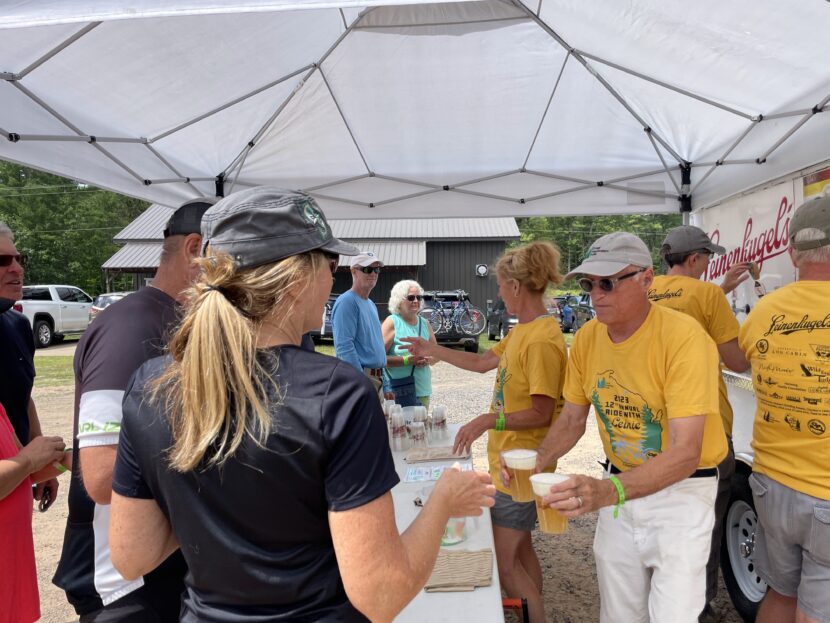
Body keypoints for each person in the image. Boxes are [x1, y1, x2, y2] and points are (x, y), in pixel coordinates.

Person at [107, 187, 495, 622]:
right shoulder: (338, 394)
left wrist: (219, 513)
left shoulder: (152, 384)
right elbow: (381, 594)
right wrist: (443, 500)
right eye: (329, 265)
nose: (333, 279)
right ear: (296, 279)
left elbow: (131, 555)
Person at [524, 232, 727, 623]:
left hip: (682, 492)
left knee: (674, 616)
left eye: (608, 282)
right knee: (619, 615)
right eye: (588, 284)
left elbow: (686, 453)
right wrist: (538, 461)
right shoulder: (585, 338)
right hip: (619, 488)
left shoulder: (684, 339)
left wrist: (606, 491)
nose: (595, 294)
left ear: (647, 279)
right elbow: (570, 419)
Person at [53, 198, 215, 621]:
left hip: (159, 563)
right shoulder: (132, 325)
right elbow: (102, 475)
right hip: (123, 584)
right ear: (195, 249)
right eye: (235, 258)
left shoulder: (179, 319)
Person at [404, 241, 566, 623]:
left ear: (516, 286)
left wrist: (486, 420)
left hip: (522, 465)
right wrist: (436, 349)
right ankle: (535, 610)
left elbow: (542, 413)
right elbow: (481, 363)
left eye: (499, 285)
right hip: (512, 463)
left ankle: (534, 613)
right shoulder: (525, 331)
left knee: (506, 565)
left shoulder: (541, 339)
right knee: (522, 552)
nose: (496, 293)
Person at [650, 224, 751, 623]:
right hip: (704, 425)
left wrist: (720, 291)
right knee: (703, 524)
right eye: (707, 257)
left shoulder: (644, 289)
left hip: (653, 426)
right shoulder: (706, 295)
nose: (710, 263)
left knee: (657, 515)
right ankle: (696, 609)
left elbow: (681, 309)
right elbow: (738, 361)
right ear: (694, 259)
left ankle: (654, 595)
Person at [738, 196, 830, 623]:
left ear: (792, 252)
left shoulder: (766, 310)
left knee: (778, 594)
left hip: (771, 484)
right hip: (825, 492)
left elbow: (740, 361)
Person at [0, 222, 59, 511]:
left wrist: (42, 462)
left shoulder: (18, 325)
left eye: (18, 259)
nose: (17, 269)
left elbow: (23, 395)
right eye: (3, 261)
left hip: (17, 480)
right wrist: (28, 461)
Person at [0, 402, 70, 623]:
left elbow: (19, 473)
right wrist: (29, 460)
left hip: (11, 568)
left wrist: (63, 461)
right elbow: (24, 463)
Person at [331, 251, 390, 399]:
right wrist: (361, 383)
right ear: (354, 271)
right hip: (362, 380)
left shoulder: (371, 304)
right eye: (367, 269)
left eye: (376, 269)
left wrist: (387, 384)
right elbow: (344, 348)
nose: (373, 273)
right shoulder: (347, 302)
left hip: (376, 379)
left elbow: (378, 348)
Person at [382, 280, 436, 407]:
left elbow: (437, 353)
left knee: (420, 425)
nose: (416, 301)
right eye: (411, 297)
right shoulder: (391, 322)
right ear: (399, 301)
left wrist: (428, 359)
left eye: (419, 297)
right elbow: (378, 359)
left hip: (423, 390)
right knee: (399, 426)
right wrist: (408, 360)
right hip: (398, 390)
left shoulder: (425, 323)